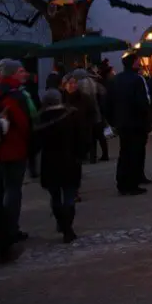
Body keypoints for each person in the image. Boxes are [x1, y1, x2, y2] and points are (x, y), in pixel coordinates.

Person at [35, 89, 84, 243]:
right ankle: (68, 228)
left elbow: (35, 143)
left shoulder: (40, 119)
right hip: (69, 160)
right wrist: (80, 154)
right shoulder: (71, 116)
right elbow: (81, 138)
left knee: (55, 196)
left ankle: (63, 225)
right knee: (69, 196)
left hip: (50, 162)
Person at [108, 53, 152, 196]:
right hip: (136, 122)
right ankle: (131, 184)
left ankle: (122, 182)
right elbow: (143, 103)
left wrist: (114, 120)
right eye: (139, 61)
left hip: (122, 122)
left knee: (124, 152)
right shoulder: (137, 80)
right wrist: (147, 119)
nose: (140, 63)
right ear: (134, 63)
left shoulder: (116, 79)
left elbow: (109, 101)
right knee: (135, 153)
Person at [0, 60, 31, 245]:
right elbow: (23, 123)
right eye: (20, 71)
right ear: (12, 74)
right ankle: (10, 229)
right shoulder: (14, 95)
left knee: (5, 189)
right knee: (13, 190)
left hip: (3, 149)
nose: (24, 73)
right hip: (13, 148)